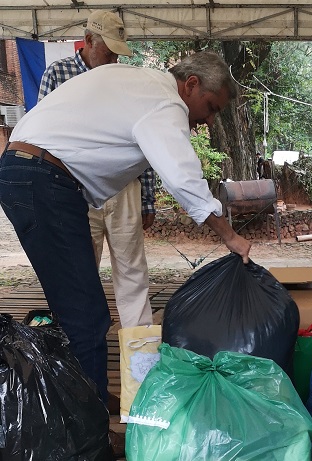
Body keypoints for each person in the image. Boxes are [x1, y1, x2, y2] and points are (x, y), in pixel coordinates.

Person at [0, 51, 252, 412]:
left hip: (33, 173)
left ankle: (87, 399)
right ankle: (91, 423)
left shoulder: (141, 84)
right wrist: (230, 236)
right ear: (191, 84)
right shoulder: (166, 101)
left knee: (77, 309)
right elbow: (183, 178)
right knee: (86, 315)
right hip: (43, 178)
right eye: (211, 107)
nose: (209, 120)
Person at [38, 10, 155, 332]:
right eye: (109, 52)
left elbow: (142, 140)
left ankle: (140, 354)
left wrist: (147, 199)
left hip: (125, 188)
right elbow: (42, 134)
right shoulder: (57, 74)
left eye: (118, 53)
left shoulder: (127, 81)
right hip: (76, 189)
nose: (114, 59)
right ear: (88, 40)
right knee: (78, 273)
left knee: (133, 274)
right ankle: (82, 345)